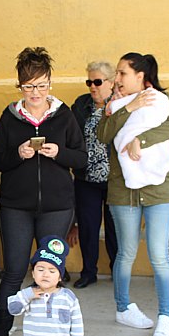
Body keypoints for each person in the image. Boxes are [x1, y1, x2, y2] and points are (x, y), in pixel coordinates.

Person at [0, 47, 87, 336]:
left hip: (57, 207)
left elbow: (81, 158)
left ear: (50, 84)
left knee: (49, 272)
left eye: (41, 85)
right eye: (29, 86)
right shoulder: (10, 116)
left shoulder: (65, 114)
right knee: (15, 272)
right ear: (20, 86)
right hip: (16, 206)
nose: (35, 92)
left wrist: (60, 153)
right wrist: (18, 154)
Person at [97, 52, 169, 336]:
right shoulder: (114, 104)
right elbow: (103, 134)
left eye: (122, 73)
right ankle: (123, 308)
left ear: (140, 76)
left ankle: (165, 318)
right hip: (123, 190)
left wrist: (139, 140)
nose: (116, 79)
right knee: (126, 252)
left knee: (159, 255)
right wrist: (128, 107)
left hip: (158, 190)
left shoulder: (161, 99)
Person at [70, 61, 118, 289]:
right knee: (88, 227)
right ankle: (89, 271)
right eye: (89, 82)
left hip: (114, 178)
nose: (92, 86)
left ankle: (118, 272)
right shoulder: (81, 104)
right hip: (86, 177)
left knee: (114, 228)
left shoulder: (121, 104)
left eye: (97, 82)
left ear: (111, 82)